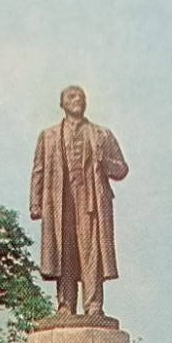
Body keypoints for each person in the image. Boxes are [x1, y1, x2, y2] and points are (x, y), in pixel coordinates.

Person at [30, 86, 128, 317]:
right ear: (62, 103)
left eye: (82, 97)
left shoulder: (101, 134)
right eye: (72, 97)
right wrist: (35, 202)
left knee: (91, 251)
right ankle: (65, 306)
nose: (78, 100)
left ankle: (93, 305)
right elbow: (38, 171)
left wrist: (105, 164)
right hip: (59, 203)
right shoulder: (48, 136)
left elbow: (122, 168)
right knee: (64, 252)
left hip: (91, 203)